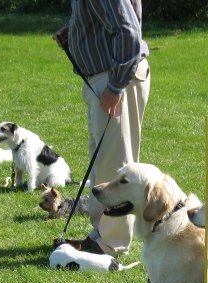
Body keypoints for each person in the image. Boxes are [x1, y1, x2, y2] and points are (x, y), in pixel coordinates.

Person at [54, 0, 150, 257]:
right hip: (105, 78)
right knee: (102, 162)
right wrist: (75, 33)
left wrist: (115, 86)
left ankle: (112, 243)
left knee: (114, 163)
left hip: (115, 79)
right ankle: (101, 234)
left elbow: (128, 32)